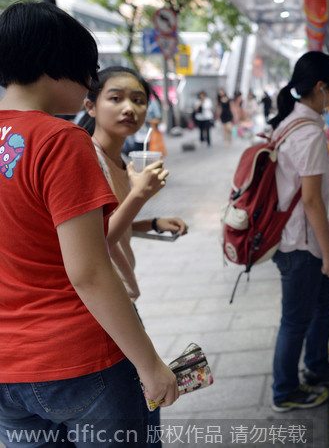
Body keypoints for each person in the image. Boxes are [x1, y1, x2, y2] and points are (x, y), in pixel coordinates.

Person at [0, 1, 178, 447]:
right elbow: (89, 270)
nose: (88, 86)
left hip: (7, 370)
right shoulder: (59, 140)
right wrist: (150, 364)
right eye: (87, 71)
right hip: (79, 360)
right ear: (54, 62)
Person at [79, 66, 189, 447]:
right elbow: (94, 242)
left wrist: (151, 221)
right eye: (116, 98)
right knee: (140, 412)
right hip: (105, 300)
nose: (130, 108)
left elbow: (110, 221)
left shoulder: (123, 161)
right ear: (90, 106)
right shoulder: (86, 160)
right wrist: (140, 196)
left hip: (120, 292)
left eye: (139, 100)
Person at [268, 51, 329, 412]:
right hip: (302, 245)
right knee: (297, 319)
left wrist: (328, 166)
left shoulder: (289, 123)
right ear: (321, 87)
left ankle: (317, 367)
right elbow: (312, 201)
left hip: (290, 239)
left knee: (323, 303)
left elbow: (296, 177)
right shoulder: (311, 132)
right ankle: (285, 391)